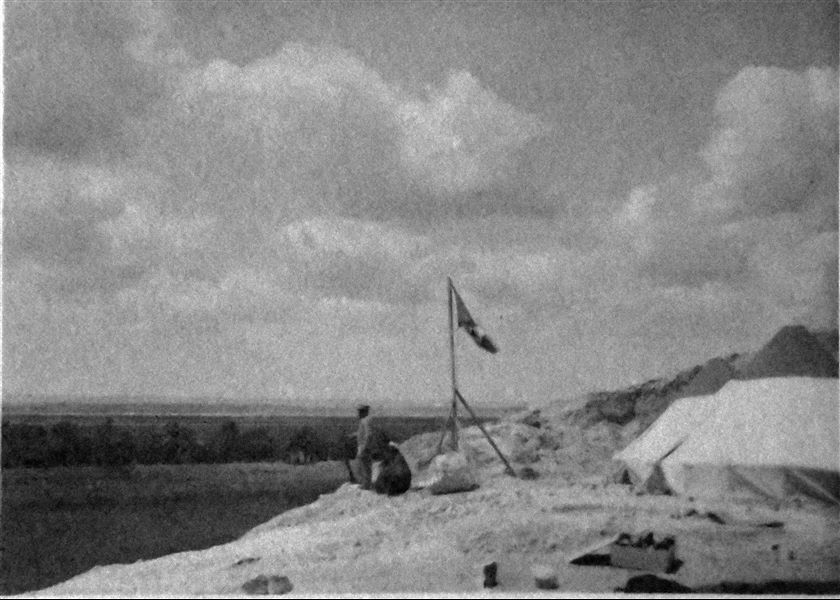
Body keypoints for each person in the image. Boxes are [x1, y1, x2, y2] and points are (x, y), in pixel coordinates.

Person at [355, 404, 373, 489]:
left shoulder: (365, 421)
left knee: (364, 466)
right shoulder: (365, 420)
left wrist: (364, 447)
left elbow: (368, 434)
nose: (358, 414)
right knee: (364, 465)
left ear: (364, 412)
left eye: (360, 412)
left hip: (364, 447)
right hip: (363, 446)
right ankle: (366, 483)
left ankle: (366, 485)